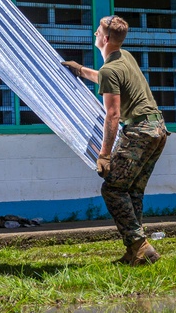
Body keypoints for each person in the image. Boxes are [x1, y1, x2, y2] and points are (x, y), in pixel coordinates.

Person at [62, 16, 168, 266]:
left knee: (112, 189)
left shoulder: (111, 68)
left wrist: (104, 154)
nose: (95, 33)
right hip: (158, 129)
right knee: (131, 190)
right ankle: (135, 253)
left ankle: (140, 245)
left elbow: (113, 114)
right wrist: (80, 71)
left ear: (106, 39)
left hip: (139, 131)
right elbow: (107, 79)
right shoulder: (125, 57)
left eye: (98, 31)